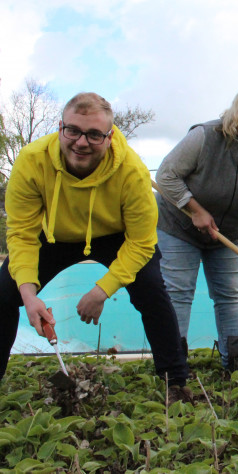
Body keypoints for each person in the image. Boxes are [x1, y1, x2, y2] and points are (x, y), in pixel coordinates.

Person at [0, 93, 190, 400]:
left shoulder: (132, 170)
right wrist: (28, 293)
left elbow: (142, 243)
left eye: (94, 134)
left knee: (152, 289)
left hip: (116, 235)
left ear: (109, 136)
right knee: (4, 294)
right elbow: (21, 233)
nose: (81, 142)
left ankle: (176, 381)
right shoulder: (31, 161)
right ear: (60, 127)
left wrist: (101, 291)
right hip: (55, 236)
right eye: (73, 130)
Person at [155, 81, 238, 376]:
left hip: (227, 236)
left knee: (229, 296)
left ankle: (235, 365)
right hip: (179, 228)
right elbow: (166, 175)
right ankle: (174, 369)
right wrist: (194, 210)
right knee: (178, 293)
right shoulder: (204, 135)